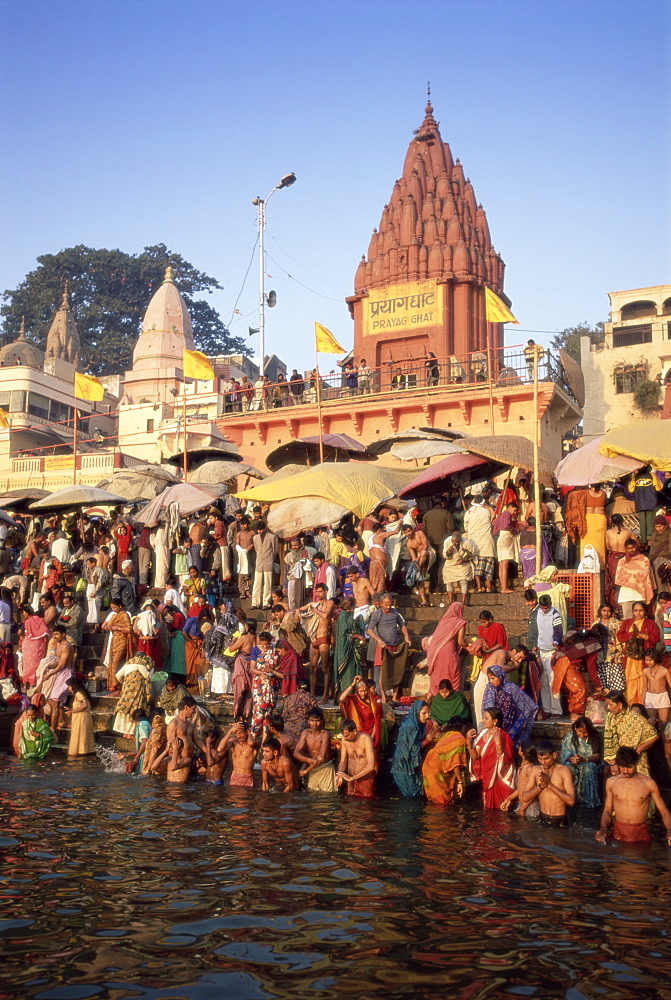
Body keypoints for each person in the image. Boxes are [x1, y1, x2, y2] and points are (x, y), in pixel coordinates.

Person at [597, 746, 671, 845]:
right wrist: (603, 828)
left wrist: (670, 830)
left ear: (636, 763)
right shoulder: (611, 782)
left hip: (640, 833)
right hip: (618, 831)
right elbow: (607, 810)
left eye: (629, 767)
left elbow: (664, 812)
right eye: (622, 767)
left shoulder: (649, 783)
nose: (625, 771)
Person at [467, 708, 516, 810]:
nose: (483, 720)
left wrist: (498, 744)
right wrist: (468, 742)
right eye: (483, 718)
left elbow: (505, 760)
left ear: (495, 721)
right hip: (487, 775)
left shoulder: (502, 735)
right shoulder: (482, 734)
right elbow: (475, 756)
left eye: (486, 718)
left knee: (500, 811)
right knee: (488, 810)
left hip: (499, 778)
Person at [520, 739, 576, 827]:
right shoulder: (535, 770)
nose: (543, 762)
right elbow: (524, 797)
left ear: (554, 755)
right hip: (542, 818)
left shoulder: (564, 771)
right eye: (540, 759)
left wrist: (549, 785)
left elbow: (571, 801)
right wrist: (540, 787)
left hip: (559, 820)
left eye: (546, 758)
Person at [366, 594, 411, 702]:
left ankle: (395, 697)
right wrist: (379, 640)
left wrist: (406, 636)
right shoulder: (377, 614)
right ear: (381, 604)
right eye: (386, 605)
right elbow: (369, 630)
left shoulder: (395, 612)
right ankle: (383, 696)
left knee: (396, 670)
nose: (388, 607)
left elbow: (402, 625)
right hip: (383, 647)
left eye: (390, 605)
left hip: (395, 645)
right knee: (382, 672)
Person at [603, 692, 659, 777]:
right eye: (607, 705)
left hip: (635, 760)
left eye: (611, 705)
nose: (608, 708)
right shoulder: (610, 717)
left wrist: (639, 749)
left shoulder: (635, 718)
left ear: (620, 704)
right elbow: (609, 742)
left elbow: (654, 735)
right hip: (619, 760)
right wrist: (613, 763)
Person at [617, 601, 660, 707]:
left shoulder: (651, 623)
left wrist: (640, 634)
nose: (638, 613)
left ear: (645, 611)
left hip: (644, 658)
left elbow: (655, 638)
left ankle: (643, 705)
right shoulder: (627, 623)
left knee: (643, 680)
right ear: (632, 612)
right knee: (630, 680)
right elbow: (620, 637)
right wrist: (632, 634)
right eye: (636, 610)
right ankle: (631, 704)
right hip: (630, 658)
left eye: (641, 610)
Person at [527, 594, 563, 717]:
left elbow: (558, 631)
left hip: (552, 650)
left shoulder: (555, 614)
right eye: (543, 607)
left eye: (546, 607)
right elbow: (536, 630)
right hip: (541, 650)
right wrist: (534, 645)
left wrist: (556, 642)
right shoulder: (537, 613)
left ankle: (556, 710)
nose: (544, 609)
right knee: (543, 681)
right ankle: (547, 709)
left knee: (553, 681)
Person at [421, 722, 469, 806]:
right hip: (436, 768)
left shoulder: (447, 735)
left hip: (428, 764)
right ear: (463, 728)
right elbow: (456, 763)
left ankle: (434, 815)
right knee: (443, 799)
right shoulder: (459, 738)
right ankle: (443, 816)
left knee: (434, 797)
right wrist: (460, 782)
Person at [391, 700, 431, 798]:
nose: (427, 716)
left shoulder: (418, 723)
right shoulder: (411, 725)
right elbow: (413, 749)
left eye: (428, 713)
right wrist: (427, 741)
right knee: (413, 795)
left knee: (416, 793)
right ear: (416, 712)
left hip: (408, 766)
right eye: (424, 713)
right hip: (403, 766)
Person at [559, 716, 601, 808]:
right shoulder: (571, 736)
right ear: (575, 729)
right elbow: (565, 752)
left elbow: (597, 756)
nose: (582, 735)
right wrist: (571, 759)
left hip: (588, 762)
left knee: (590, 767)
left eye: (585, 732)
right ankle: (569, 797)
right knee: (567, 767)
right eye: (579, 732)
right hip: (573, 762)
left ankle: (589, 800)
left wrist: (584, 759)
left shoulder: (594, 738)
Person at [249, 631, 283, 739]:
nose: (265, 647)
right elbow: (252, 668)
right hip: (259, 683)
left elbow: (279, 665)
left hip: (271, 683)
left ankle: (264, 740)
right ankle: (253, 736)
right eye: (263, 645)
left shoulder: (274, 649)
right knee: (259, 711)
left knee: (268, 712)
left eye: (267, 645)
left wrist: (272, 671)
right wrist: (262, 673)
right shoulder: (255, 650)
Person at [339, 674, 384, 754]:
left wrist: (371, 737)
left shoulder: (373, 701)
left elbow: (376, 721)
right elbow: (341, 698)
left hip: (370, 733)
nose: (363, 693)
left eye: (365, 690)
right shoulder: (354, 699)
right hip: (356, 732)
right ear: (357, 691)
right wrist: (352, 684)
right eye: (361, 691)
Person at [294, 707, 336, 792]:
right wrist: (309, 760)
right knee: (311, 795)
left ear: (322, 721)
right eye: (312, 721)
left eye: (317, 721)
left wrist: (305, 771)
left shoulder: (325, 734)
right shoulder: (305, 733)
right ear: (308, 721)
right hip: (311, 767)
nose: (315, 724)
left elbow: (321, 758)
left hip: (325, 768)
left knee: (325, 798)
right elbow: (296, 753)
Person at [112, 652, 153, 738]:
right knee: (134, 708)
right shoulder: (140, 663)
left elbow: (118, 675)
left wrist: (125, 682)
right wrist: (152, 669)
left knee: (125, 708)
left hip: (127, 690)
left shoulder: (128, 664)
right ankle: (130, 733)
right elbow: (147, 676)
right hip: (137, 692)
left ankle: (125, 732)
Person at [333, 596, 365, 699]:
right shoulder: (343, 616)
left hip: (352, 651)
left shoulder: (347, 615)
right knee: (348, 673)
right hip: (346, 652)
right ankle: (346, 696)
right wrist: (357, 636)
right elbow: (344, 635)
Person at [614, 539, 655, 620]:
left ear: (636, 547)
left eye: (632, 547)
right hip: (626, 595)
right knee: (628, 620)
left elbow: (646, 575)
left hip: (640, 594)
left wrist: (632, 576)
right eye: (628, 548)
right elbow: (619, 576)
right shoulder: (622, 561)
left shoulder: (644, 560)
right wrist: (634, 577)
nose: (631, 550)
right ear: (625, 549)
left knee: (641, 619)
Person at [336, 719, 377, 798]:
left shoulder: (366, 740)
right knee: (350, 804)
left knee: (366, 805)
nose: (345, 738)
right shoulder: (344, 740)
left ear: (354, 731)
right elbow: (343, 761)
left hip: (365, 778)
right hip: (350, 777)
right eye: (343, 736)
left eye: (347, 735)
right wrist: (340, 774)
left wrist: (352, 778)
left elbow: (371, 765)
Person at [463, 495, 495, 593]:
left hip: (475, 542)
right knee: (489, 566)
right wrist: (488, 506)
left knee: (477, 566)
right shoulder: (486, 511)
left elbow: (466, 527)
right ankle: (489, 587)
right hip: (487, 541)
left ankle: (479, 587)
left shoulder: (468, 513)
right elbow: (493, 516)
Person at [592, 602, 626, 693]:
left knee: (616, 681)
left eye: (608, 611)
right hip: (600, 655)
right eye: (604, 611)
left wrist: (622, 652)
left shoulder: (617, 623)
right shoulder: (595, 623)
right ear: (600, 611)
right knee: (603, 681)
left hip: (613, 655)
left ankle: (617, 701)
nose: (606, 613)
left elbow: (622, 639)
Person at [604, 514, 637, 607]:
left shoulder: (608, 533)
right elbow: (637, 544)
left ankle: (615, 607)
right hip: (624, 559)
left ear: (612, 522)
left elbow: (608, 546)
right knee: (624, 583)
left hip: (612, 560)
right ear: (622, 521)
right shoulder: (628, 532)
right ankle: (624, 605)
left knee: (614, 583)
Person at [500, 743, 540, 818]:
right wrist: (509, 798)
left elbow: (536, 791)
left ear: (522, 753)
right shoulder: (521, 768)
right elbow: (520, 788)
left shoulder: (530, 768)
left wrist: (523, 808)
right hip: (522, 805)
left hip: (531, 806)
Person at [19, 604, 50, 687]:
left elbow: (19, 632)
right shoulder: (41, 621)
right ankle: (33, 683)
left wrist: (24, 637)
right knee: (35, 664)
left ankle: (25, 682)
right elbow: (45, 631)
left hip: (27, 644)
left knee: (26, 664)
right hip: (37, 644)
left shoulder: (27, 621)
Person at [440, 531, 476, 604]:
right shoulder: (447, 541)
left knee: (463, 581)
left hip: (463, 564)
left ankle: (463, 602)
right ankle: (451, 602)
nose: (454, 543)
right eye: (453, 542)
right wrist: (449, 552)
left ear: (460, 540)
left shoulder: (466, 542)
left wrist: (463, 560)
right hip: (450, 563)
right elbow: (444, 555)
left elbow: (472, 555)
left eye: (456, 542)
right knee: (448, 581)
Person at [402, 524, 433, 607]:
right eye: (406, 532)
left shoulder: (419, 533)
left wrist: (418, 559)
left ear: (412, 530)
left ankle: (418, 568)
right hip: (421, 558)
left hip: (429, 552)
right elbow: (413, 557)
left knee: (423, 553)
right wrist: (415, 562)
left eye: (409, 531)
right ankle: (424, 600)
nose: (408, 533)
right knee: (420, 578)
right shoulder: (409, 543)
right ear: (404, 534)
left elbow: (425, 546)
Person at [494, 501, 520, 594]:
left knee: (502, 564)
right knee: (504, 564)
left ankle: (503, 587)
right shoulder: (506, 515)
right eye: (515, 510)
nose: (515, 512)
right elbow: (505, 526)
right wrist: (514, 530)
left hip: (501, 537)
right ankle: (504, 588)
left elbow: (495, 528)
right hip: (505, 537)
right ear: (510, 507)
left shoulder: (500, 515)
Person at [65, 677, 95, 757]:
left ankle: (79, 753)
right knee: (81, 735)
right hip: (81, 717)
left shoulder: (79, 694)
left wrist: (72, 711)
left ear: (73, 686)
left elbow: (85, 705)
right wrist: (71, 709)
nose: (68, 688)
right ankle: (82, 752)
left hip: (81, 718)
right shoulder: (80, 693)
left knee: (79, 735)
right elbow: (80, 705)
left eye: (69, 686)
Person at [251, 521, 277, 610]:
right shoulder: (255, 538)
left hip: (268, 561)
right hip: (259, 562)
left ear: (265, 529)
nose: (260, 532)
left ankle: (266, 602)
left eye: (261, 530)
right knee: (256, 583)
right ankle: (255, 603)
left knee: (267, 583)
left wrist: (270, 559)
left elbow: (274, 551)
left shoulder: (272, 537)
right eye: (258, 530)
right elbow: (257, 549)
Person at [642, 648, 671, 725]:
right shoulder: (645, 671)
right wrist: (642, 702)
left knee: (663, 724)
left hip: (662, 697)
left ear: (655, 658)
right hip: (650, 698)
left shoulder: (664, 671)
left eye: (650, 660)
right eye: (646, 660)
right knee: (652, 723)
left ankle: (663, 737)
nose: (648, 662)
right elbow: (644, 688)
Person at [648, 515, 671, 591]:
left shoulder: (669, 534)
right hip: (654, 563)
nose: (658, 529)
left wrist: (669, 563)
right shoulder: (654, 535)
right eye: (656, 526)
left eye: (660, 526)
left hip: (666, 563)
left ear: (665, 525)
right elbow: (652, 550)